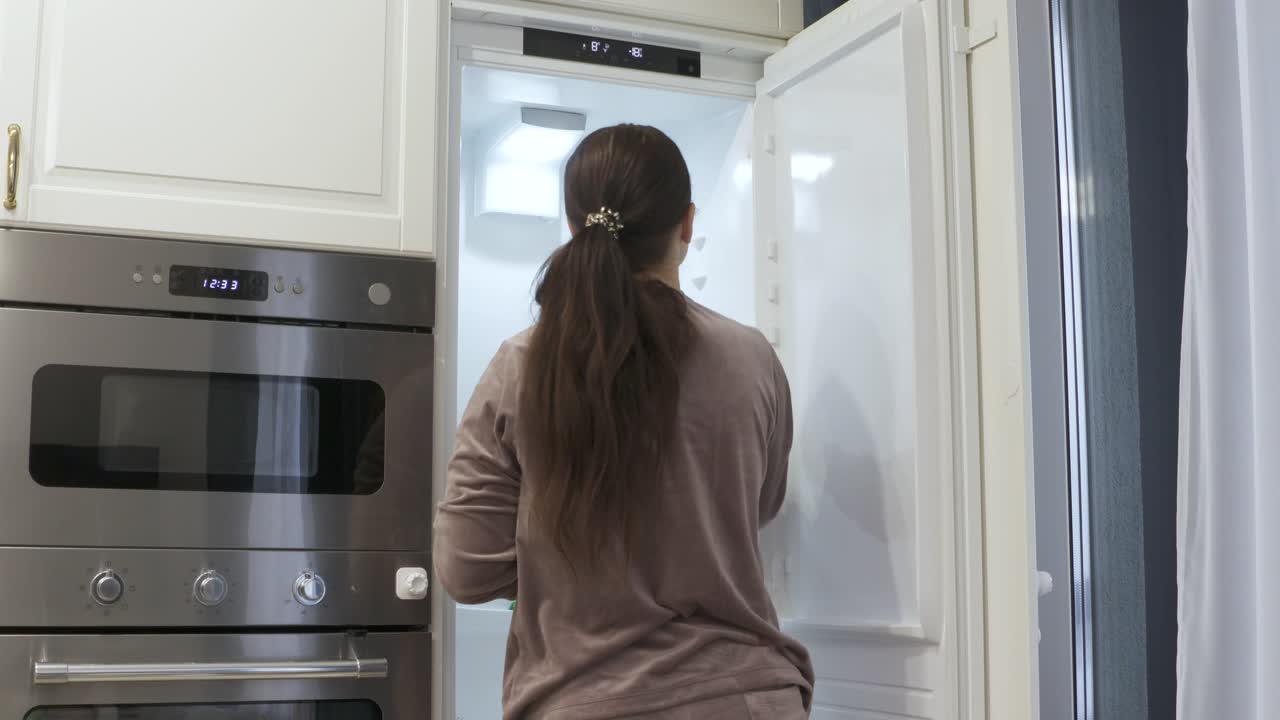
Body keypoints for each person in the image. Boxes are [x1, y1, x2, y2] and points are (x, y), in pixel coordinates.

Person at [435, 124, 813, 719]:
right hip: (746, 698)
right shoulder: (752, 358)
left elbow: (465, 568)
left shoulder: (522, 365)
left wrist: (565, 557)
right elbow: (756, 507)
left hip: (587, 701)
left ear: (572, 226)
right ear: (687, 224)